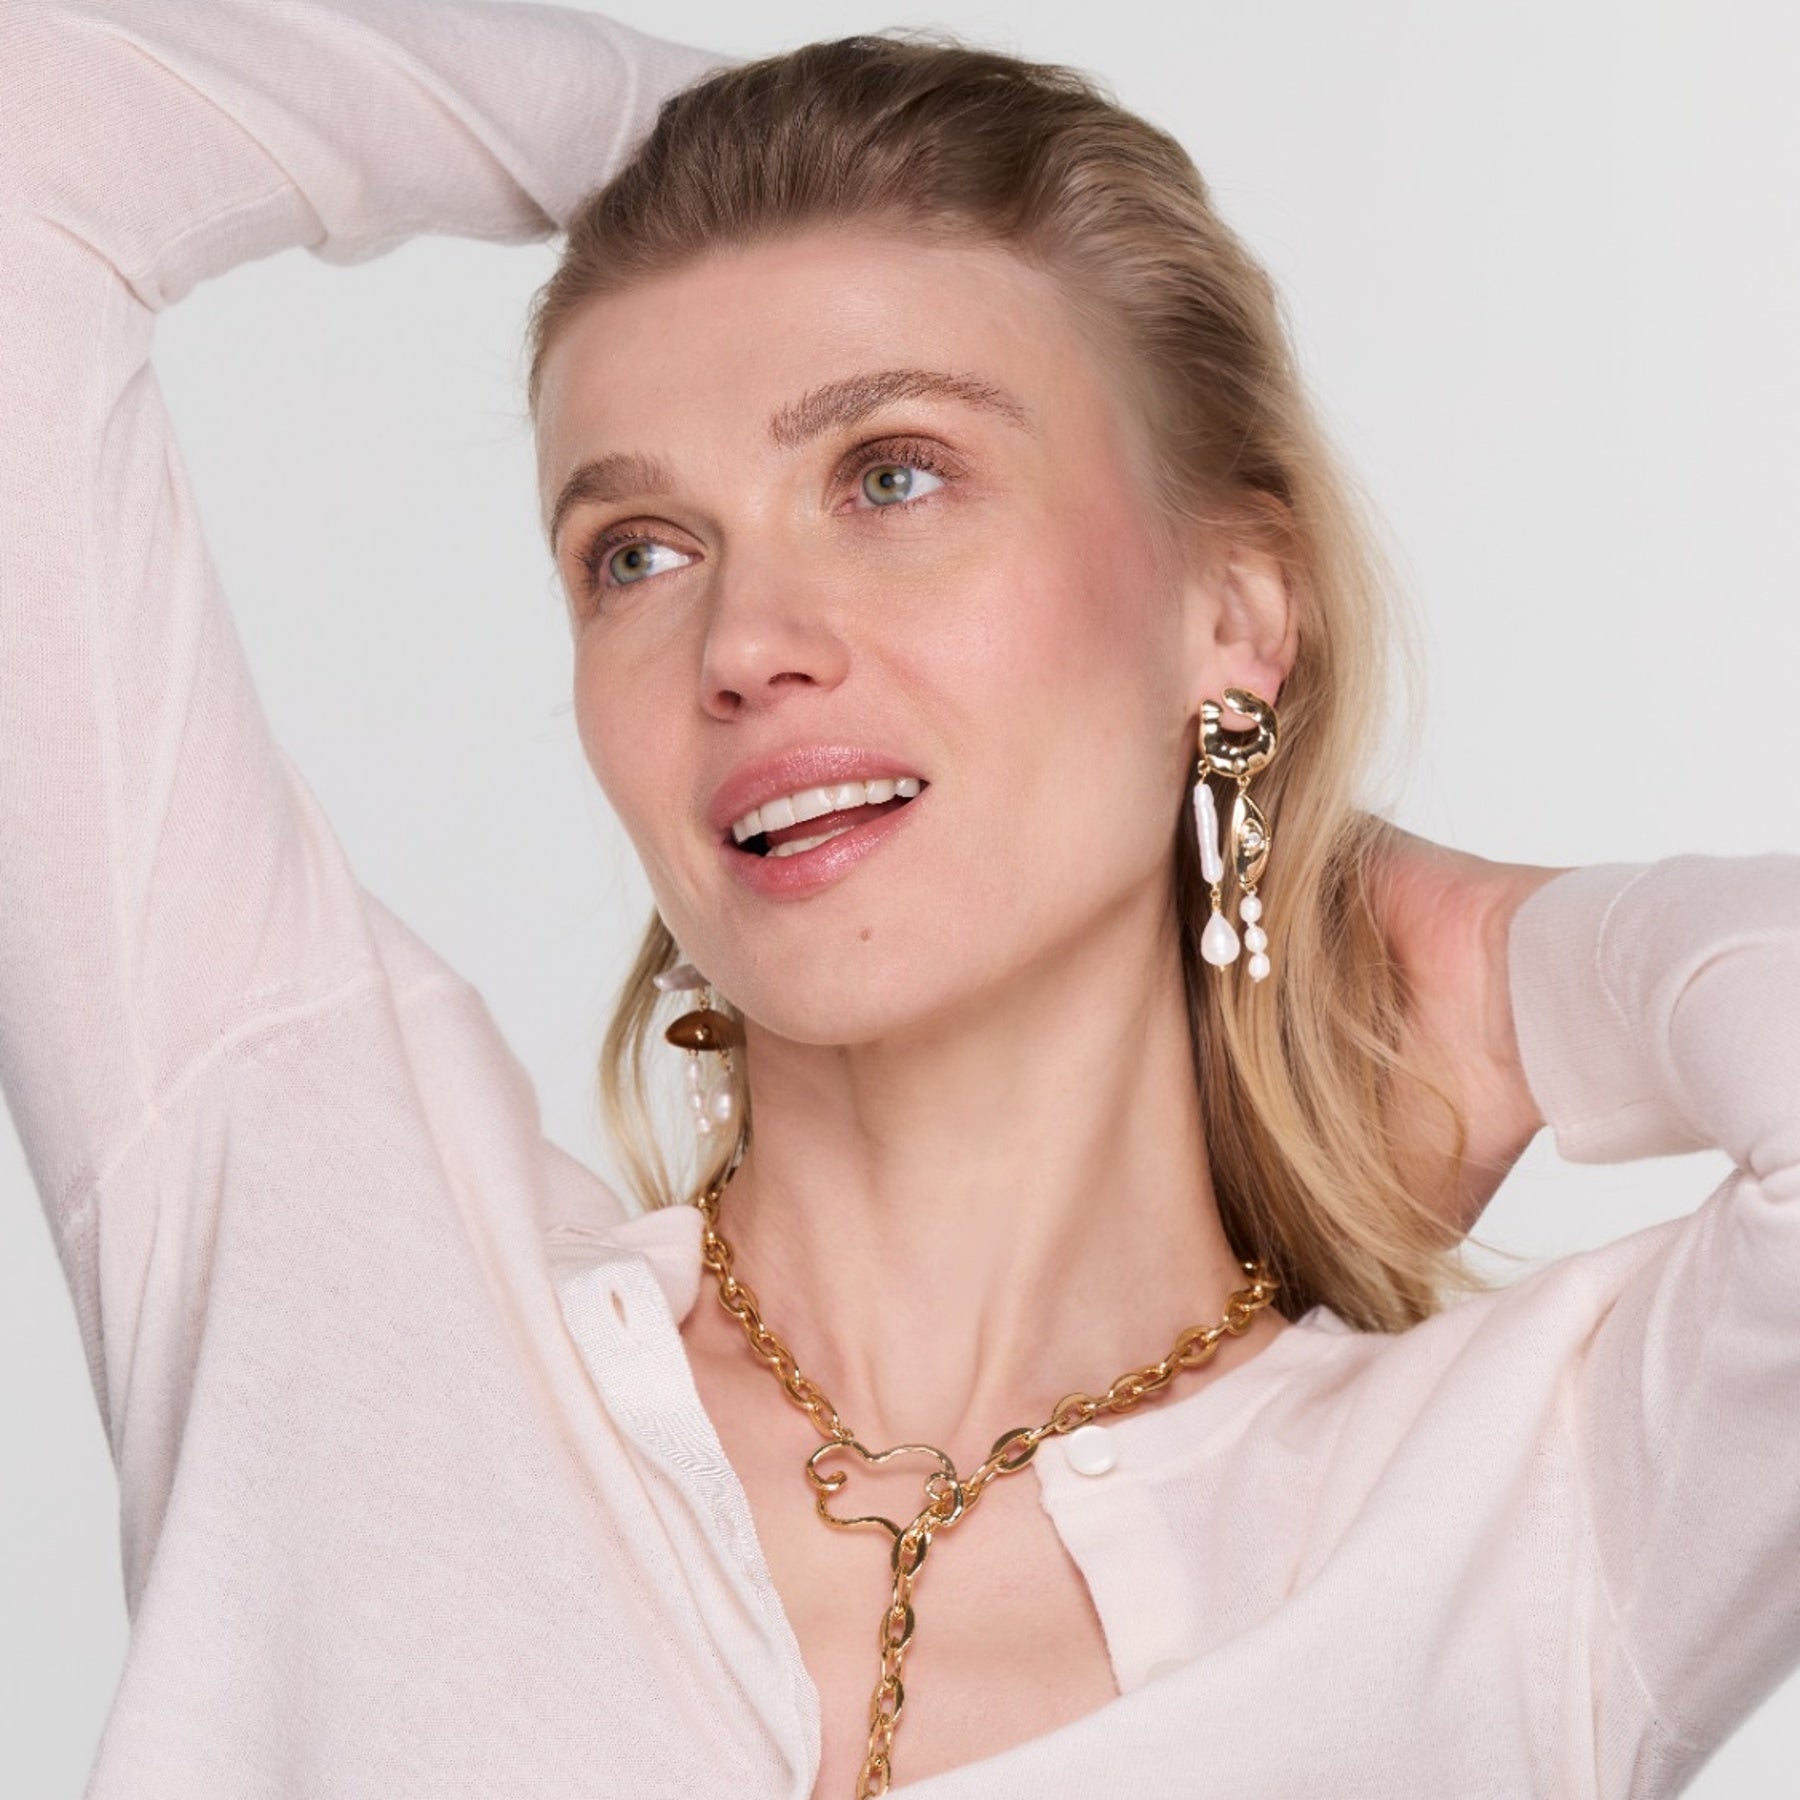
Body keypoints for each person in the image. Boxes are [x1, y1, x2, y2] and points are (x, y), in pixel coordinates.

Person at [1, 1, 1794, 1796]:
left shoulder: (1523, 1527)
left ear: (1232, 613)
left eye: (893, 473)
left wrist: (1502, 963)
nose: (745, 644)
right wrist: (674, 130)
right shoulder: (331, 1261)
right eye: (638, 552)